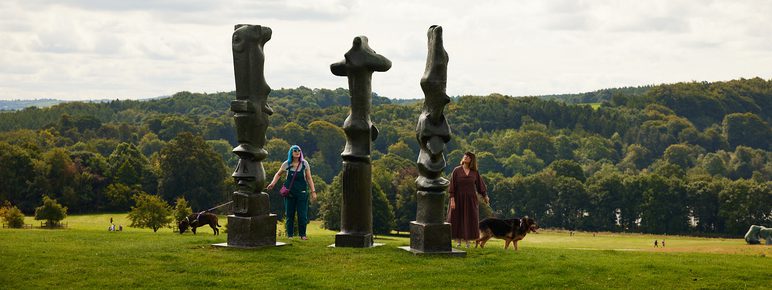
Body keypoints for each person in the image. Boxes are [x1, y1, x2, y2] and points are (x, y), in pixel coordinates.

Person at [267, 145, 317, 240]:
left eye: (299, 150)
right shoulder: (286, 164)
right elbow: (278, 174)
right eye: (295, 150)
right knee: (290, 214)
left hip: (302, 192)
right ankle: (290, 235)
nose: (297, 152)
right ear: (291, 153)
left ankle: (303, 235)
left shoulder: (304, 163)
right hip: (289, 193)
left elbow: (309, 178)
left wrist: (313, 191)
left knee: (302, 215)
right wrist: (272, 183)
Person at [447, 151, 489, 248]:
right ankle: (458, 240)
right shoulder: (456, 170)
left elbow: (480, 186)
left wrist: (485, 196)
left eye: (468, 156)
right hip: (457, 198)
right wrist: (452, 200)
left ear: (471, 160)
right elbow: (452, 186)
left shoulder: (475, 172)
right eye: (465, 156)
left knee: (469, 219)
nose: (465, 157)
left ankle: (467, 241)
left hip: (471, 199)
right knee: (457, 218)